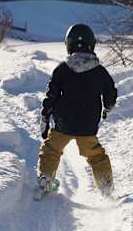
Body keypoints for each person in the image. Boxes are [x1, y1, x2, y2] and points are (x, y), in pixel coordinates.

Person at [37, 24, 118, 197]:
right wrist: (107, 107)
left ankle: (45, 179)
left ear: (69, 44)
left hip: (62, 124)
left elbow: (51, 95)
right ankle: (105, 186)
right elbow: (110, 92)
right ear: (92, 44)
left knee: (51, 150)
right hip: (87, 125)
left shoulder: (62, 70)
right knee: (96, 156)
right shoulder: (100, 71)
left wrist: (45, 116)